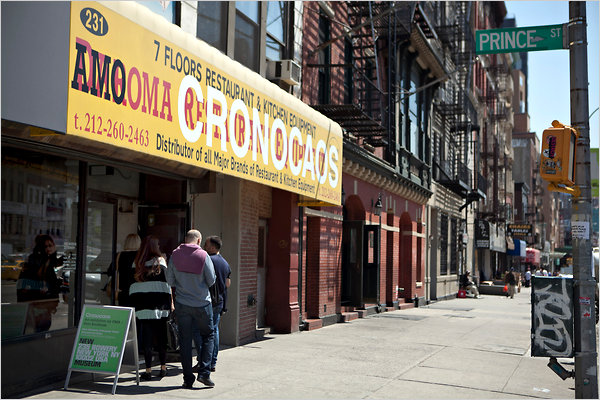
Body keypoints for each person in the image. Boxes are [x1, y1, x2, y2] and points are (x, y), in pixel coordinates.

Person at [167, 229, 216, 389]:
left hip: (182, 303)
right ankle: (204, 373)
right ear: (199, 240)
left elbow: (170, 281)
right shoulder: (203, 256)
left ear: (185, 239)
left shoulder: (175, 255)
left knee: (185, 341)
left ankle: (188, 378)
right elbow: (211, 280)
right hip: (202, 303)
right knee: (208, 335)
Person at [128, 235, 173, 381]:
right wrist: (171, 303)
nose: (159, 247)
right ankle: (163, 368)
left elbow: (132, 284)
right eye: (158, 245)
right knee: (161, 338)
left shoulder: (137, 262)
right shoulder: (160, 262)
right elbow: (168, 283)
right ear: (155, 247)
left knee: (147, 339)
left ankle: (147, 370)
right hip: (159, 305)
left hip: (143, 305)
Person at [16, 234, 63, 332]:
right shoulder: (36, 262)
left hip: (45, 307)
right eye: (46, 246)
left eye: (51, 245)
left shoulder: (51, 261)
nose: (49, 248)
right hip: (35, 306)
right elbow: (26, 284)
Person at [205, 236, 231, 371]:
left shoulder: (209, 260)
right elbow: (227, 285)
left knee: (205, 332)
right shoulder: (225, 263)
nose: (204, 247)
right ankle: (213, 362)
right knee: (214, 330)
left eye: (206, 245)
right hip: (220, 301)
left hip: (208, 301)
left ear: (213, 247)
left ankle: (206, 361)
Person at [106, 233, 141, 307]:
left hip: (122, 291)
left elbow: (110, 271)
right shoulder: (141, 256)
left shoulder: (119, 255)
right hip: (138, 290)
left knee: (124, 314)